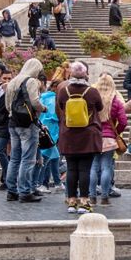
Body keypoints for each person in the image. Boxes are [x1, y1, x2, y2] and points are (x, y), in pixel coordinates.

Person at [57, 62, 104, 214]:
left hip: (69, 134)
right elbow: (100, 108)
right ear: (85, 74)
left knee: (71, 169)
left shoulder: (63, 91)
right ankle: (84, 201)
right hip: (87, 135)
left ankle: (71, 201)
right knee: (85, 169)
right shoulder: (92, 91)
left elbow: (61, 107)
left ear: (71, 74)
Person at [4, 58, 46, 203]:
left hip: (13, 122)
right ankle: (25, 191)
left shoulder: (13, 81)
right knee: (28, 158)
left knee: (14, 158)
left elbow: (7, 105)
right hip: (27, 123)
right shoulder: (31, 81)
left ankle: (11, 191)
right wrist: (43, 108)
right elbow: (34, 102)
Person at [91, 73, 126, 204]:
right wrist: (117, 131)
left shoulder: (92, 100)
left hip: (94, 136)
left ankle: (92, 195)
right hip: (110, 137)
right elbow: (123, 121)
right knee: (106, 167)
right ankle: (105, 196)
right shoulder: (116, 100)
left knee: (93, 167)